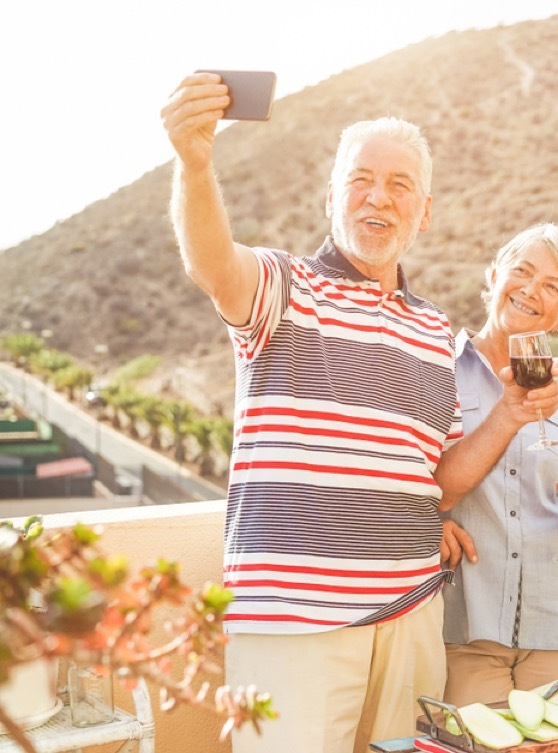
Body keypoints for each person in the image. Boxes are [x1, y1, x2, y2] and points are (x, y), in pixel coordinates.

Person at [160, 72, 528, 753]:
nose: (378, 198)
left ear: (425, 212)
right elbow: (212, 263)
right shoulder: (284, 287)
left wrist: (507, 413)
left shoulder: (433, 330)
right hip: (292, 629)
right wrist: (194, 162)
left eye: (400, 185)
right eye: (360, 180)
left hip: (411, 618)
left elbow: (436, 481)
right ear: (331, 197)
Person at [433, 223, 558, 705]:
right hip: (468, 628)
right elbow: (403, 478)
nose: (532, 290)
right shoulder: (435, 375)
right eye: (522, 272)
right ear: (494, 276)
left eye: (552, 287)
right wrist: (429, 519)